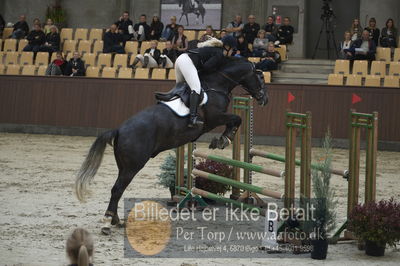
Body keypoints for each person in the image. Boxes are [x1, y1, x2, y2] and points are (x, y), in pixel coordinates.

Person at [174, 35, 236, 127]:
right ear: (227, 47)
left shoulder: (214, 50)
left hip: (180, 60)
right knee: (196, 89)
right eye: (232, 50)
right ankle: (192, 118)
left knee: (181, 89)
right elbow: (206, 67)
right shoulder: (219, 53)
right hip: (187, 62)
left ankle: (176, 112)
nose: (232, 53)